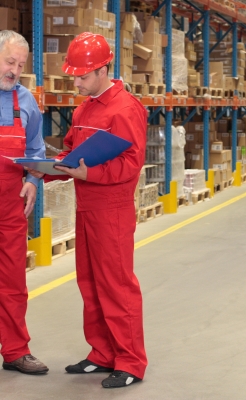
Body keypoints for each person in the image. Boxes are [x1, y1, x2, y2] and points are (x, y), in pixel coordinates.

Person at [54, 32, 148, 389]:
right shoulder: (84, 107)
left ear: (104, 69)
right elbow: (70, 150)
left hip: (112, 208)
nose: (76, 81)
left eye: (82, 76)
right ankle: (102, 353)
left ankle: (130, 361)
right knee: (89, 282)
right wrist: (46, 168)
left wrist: (89, 172)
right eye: (74, 75)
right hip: (86, 205)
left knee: (117, 285)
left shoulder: (126, 109)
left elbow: (130, 164)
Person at [0, 30, 48, 374]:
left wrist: (33, 179)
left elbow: (36, 151)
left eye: (19, 64)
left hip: (10, 203)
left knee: (14, 279)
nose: (14, 70)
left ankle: (16, 350)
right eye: (8, 61)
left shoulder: (26, 101)